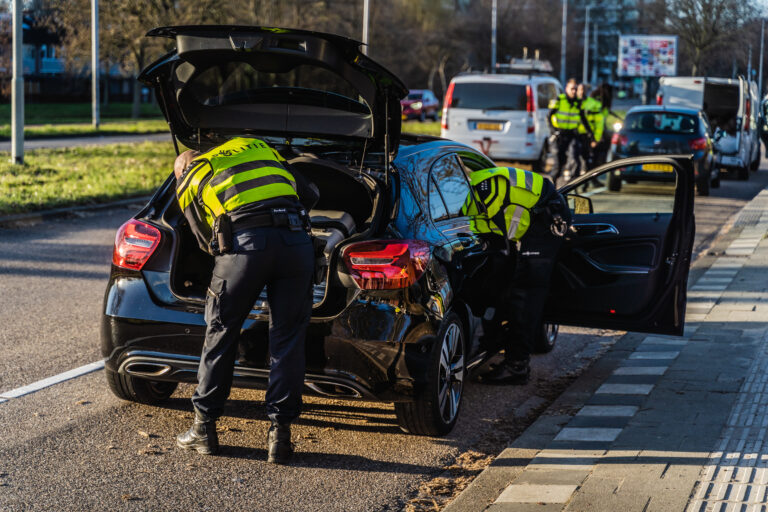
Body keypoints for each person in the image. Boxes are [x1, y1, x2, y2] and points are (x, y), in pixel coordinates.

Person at [173, 136, 318, 464]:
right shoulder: (257, 146)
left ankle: (204, 428)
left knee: (221, 333)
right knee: (288, 340)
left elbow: (201, 237)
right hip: (296, 244)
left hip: (245, 248)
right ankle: (280, 437)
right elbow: (310, 194)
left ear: (182, 169)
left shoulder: (192, 174)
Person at [461, 167, 571, 384]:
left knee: (526, 291)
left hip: (548, 216)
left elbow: (497, 237)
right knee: (504, 277)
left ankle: (517, 366)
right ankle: (495, 340)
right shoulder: (464, 195)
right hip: (531, 219)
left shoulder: (483, 189)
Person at [548, 78, 591, 185]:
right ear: (566, 89)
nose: (574, 91)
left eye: (575, 89)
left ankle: (573, 184)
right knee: (558, 163)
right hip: (560, 135)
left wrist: (590, 133)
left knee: (574, 158)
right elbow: (549, 116)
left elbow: (583, 118)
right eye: (572, 89)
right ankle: (552, 185)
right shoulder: (559, 99)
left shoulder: (578, 102)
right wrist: (553, 131)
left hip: (572, 134)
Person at [577, 84, 604, 175]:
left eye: (583, 90)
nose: (581, 92)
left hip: (588, 136)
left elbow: (599, 123)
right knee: (575, 160)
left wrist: (595, 139)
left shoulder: (594, 104)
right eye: (579, 89)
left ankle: (587, 181)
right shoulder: (573, 103)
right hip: (575, 136)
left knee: (588, 159)